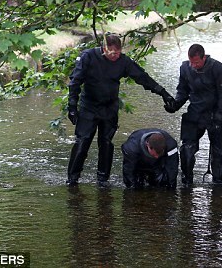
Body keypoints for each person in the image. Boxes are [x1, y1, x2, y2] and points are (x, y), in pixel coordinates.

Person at [66, 34, 175, 187]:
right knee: (82, 142)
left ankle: (103, 179)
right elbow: (75, 82)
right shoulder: (88, 57)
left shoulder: (123, 61)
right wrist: (72, 106)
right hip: (89, 106)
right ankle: (72, 178)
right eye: (112, 53)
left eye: (118, 53)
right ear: (104, 49)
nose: (115, 56)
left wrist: (163, 93)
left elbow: (142, 77)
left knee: (106, 143)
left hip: (110, 107)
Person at [164, 44, 222, 186]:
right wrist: (175, 104)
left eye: (196, 62)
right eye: (191, 62)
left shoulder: (221, 70)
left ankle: (220, 185)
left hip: (215, 113)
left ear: (204, 57)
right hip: (195, 112)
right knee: (187, 149)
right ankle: (187, 181)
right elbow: (182, 90)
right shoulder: (185, 68)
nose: (193, 65)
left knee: (218, 151)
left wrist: (220, 113)